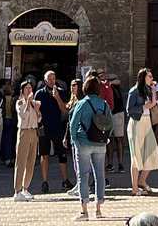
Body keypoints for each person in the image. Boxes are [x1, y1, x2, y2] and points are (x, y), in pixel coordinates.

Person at [67, 75, 110, 220]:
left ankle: (84, 211)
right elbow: (113, 125)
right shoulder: (104, 104)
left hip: (84, 142)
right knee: (99, 175)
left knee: (83, 176)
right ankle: (98, 209)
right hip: (100, 143)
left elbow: (73, 124)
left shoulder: (82, 103)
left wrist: (74, 140)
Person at [34, 70, 69, 194]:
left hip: (57, 127)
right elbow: (35, 111)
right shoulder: (39, 94)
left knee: (62, 154)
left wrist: (58, 97)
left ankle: (65, 180)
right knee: (44, 155)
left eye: (53, 79)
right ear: (45, 81)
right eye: (49, 79)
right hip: (44, 128)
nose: (51, 81)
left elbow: (64, 109)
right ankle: (45, 182)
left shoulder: (60, 92)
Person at [125, 69, 158, 195]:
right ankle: (135, 187)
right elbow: (129, 109)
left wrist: (154, 91)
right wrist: (143, 107)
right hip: (136, 123)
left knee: (152, 151)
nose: (151, 78)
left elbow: (154, 104)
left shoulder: (148, 90)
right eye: (149, 76)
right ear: (143, 77)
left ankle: (142, 180)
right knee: (136, 155)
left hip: (147, 123)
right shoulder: (134, 91)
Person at [11, 79, 40, 201]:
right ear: (22, 90)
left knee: (31, 161)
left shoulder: (33, 103)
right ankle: (17, 191)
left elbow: (38, 119)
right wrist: (28, 102)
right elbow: (24, 116)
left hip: (33, 132)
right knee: (21, 161)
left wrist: (37, 109)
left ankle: (25, 188)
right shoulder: (20, 103)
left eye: (30, 88)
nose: (29, 90)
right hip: (24, 132)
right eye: (26, 88)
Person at [106, 81, 126, 175]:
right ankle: (110, 164)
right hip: (107, 113)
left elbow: (118, 81)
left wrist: (109, 82)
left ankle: (121, 163)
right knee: (109, 140)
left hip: (117, 111)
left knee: (119, 138)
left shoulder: (111, 83)